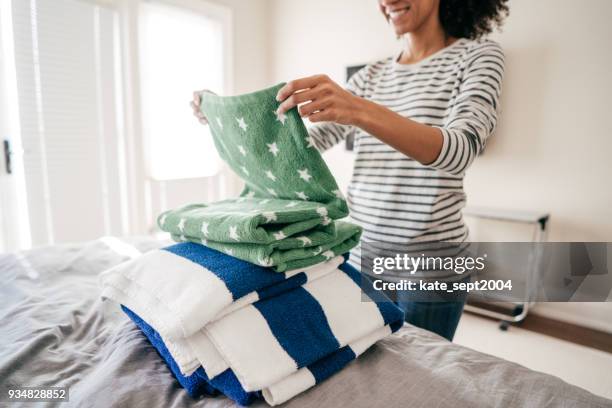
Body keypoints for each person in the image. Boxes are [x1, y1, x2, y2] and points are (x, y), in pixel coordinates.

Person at [192, 0, 508, 341]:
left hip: (433, 263)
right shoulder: (370, 76)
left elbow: (459, 150)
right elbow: (301, 151)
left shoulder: (479, 56)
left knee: (423, 373)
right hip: (363, 253)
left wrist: (358, 109)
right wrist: (225, 121)